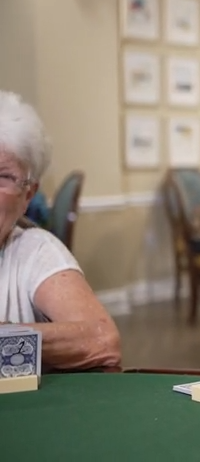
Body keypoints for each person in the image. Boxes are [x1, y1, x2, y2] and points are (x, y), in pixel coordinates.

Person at [0, 90, 121, 371]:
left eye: (3, 176)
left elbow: (102, 341)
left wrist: (6, 336)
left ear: (28, 195)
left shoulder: (35, 251)